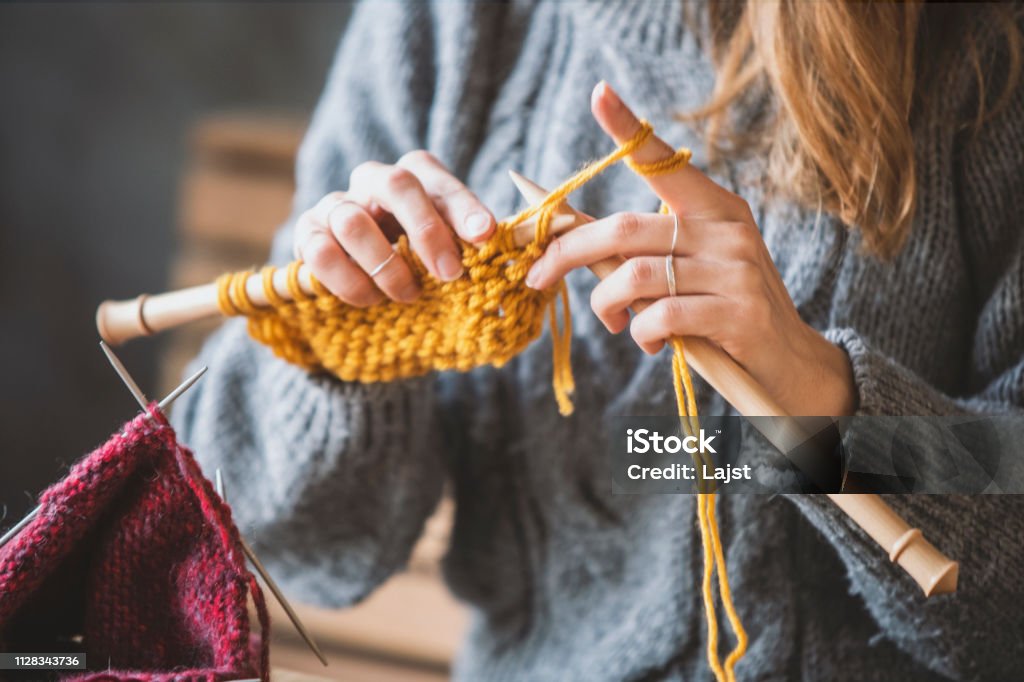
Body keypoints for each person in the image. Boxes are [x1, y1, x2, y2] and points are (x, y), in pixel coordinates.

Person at [173, 1, 1024, 679]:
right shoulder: (452, 19)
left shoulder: (988, 58)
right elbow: (273, 541)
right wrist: (341, 346)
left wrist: (825, 407)